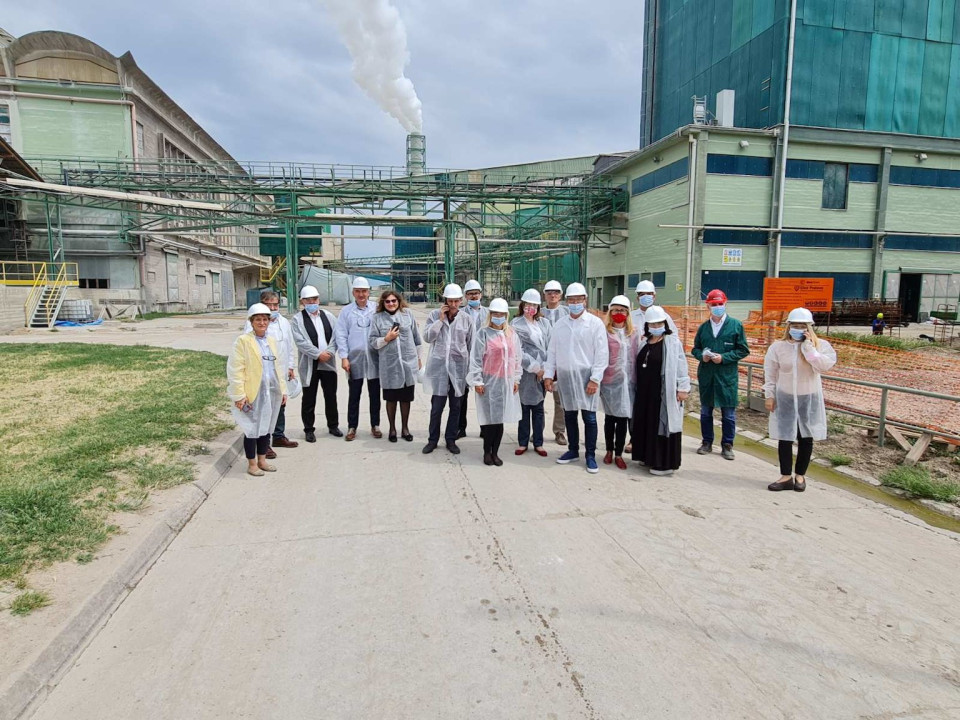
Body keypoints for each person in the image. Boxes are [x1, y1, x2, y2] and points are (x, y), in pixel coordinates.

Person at [763, 307, 838, 492]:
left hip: (808, 398)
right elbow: (770, 373)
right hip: (785, 397)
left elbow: (823, 365)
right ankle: (785, 476)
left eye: (802, 326)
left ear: (809, 327)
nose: (798, 329)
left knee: (806, 437)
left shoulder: (820, 346)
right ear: (788, 326)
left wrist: (808, 349)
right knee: (785, 436)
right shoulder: (778, 347)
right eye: (795, 325)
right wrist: (769, 395)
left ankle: (800, 476)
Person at [543, 282, 609, 474]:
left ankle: (590, 455)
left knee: (589, 417)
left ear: (585, 300)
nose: (574, 303)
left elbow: (602, 353)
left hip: (587, 377)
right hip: (566, 377)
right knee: (570, 415)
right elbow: (552, 352)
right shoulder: (560, 325)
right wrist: (548, 375)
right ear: (567, 301)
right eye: (571, 300)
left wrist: (595, 379)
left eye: (578, 300)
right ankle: (573, 450)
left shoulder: (595, 324)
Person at [228, 303, 288, 476]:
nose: (262, 323)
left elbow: (278, 367)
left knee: (266, 427)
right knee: (251, 429)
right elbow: (235, 369)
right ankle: (252, 464)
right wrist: (239, 395)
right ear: (251, 322)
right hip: (252, 393)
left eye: (265, 319)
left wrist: (282, 390)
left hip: (270, 391)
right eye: (258, 320)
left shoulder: (271, 341)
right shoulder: (243, 341)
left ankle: (262, 460)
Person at [691, 289, 750, 460]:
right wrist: (701, 356)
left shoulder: (735, 325)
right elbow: (695, 348)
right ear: (708, 306)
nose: (717, 307)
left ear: (725, 303)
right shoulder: (704, 328)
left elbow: (743, 350)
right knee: (705, 412)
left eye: (720, 304)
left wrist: (724, 358)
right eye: (714, 304)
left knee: (728, 415)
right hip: (707, 375)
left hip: (726, 377)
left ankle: (727, 445)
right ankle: (707, 442)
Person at [632, 306, 690, 476]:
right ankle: (646, 456)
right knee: (646, 423)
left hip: (663, 392)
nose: (656, 327)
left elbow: (681, 366)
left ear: (665, 323)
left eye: (659, 323)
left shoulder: (672, 343)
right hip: (645, 393)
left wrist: (683, 388)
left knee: (662, 425)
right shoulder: (645, 342)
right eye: (652, 324)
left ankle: (664, 464)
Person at [243, 290, 298, 458]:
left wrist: (290, 366)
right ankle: (263, 443)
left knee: (280, 403)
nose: (273, 308)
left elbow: (289, 346)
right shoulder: (254, 323)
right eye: (270, 305)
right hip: (263, 372)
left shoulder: (284, 322)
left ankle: (278, 435)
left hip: (280, 370)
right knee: (264, 406)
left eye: (276, 305)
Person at [468, 298, 523, 466]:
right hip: (488, 382)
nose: (498, 317)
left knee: (499, 420)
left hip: (506, 382)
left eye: (501, 314)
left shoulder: (511, 333)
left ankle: (495, 453)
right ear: (490, 315)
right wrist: (477, 381)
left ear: (506, 315)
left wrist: (516, 379)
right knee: (490, 420)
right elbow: (476, 359)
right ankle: (487, 452)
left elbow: (517, 358)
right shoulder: (483, 333)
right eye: (495, 314)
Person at [423, 283, 475, 455]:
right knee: (436, 408)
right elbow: (428, 337)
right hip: (439, 370)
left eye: (456, 301)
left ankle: (451, 439)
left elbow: (471, 345)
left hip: (459, 371)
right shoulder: (434, 315)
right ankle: (432, 440)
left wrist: (470, 371)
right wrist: (440, 320)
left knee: (456, 407)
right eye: (450, 301)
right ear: (445, 300)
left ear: (461, 300)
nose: (453, 305)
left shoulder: (467, 319)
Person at [368, 290, 422, 442]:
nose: (391, 304)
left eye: (394, 301)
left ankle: (405, 428)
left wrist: (418, 358)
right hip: (389, 365)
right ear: (383, 303)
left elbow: (417, 338)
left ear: (398, 301)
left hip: (408, 363)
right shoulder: (377, 318)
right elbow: (372, 341)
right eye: (387, 301)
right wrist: (386, 338)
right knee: (391, 399)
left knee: (406, 398)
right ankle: (392, 429)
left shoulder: (407, 314)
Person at [291, 285, 341, 442]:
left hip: (328, 363)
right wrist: (318, 354)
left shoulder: (328, 316)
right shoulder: (297, 320)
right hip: (309, 365)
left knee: (330, 396)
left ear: (318, 300)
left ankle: (333, 426)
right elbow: (301, 342)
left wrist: (330, 352)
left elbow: (336, 336)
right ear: (302, 302)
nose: (312, 302)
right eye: (308, 300)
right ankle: (309, 429)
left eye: (314, 299)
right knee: (309, 398)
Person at [335, 277, 381, 441]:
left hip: (374, 359)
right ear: (353, 292)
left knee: (374, 394)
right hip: (354, 360)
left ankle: (375, 425)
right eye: (358, 291)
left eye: (364, 291)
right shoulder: (346, 311)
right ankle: (352, 426)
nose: (361, 294)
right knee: (354, 395)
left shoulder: (376, 309)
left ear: (369, 292)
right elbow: (341, 335)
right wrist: (344, 357)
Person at [600, 295, 639, 470]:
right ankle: (609, 450)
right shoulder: (604, 332)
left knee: (623, 418)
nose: (619, 313)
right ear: (610, 312)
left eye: (622, 310)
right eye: (615, 310)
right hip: (609, 381)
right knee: (610, 418)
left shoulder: (634, 333)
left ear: (628, 313)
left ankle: (618, 454)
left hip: (628, 382)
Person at [511, 288, 551, 457]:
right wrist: (534, 367)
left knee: (539, 408)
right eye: (528, 304)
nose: (531, 308)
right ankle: (523, 442)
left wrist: (546, 368)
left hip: (543, 371)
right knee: (525, 407)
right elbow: (517, 350)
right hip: (526, 372)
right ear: (522, 305)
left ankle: (538, 443)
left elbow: (550, 346)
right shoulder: (516, 324)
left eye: (534, 305)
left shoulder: (544, 323)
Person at [540, 279, 569, 445]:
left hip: (561, 362)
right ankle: (537, 431)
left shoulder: (567, 313)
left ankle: (559, 431)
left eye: (556, 292)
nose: (553, 295)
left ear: (561, 295)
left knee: (560, 400)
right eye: (549, 292)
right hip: (541, 363)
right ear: (544, 295)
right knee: (538, 400)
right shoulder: (538, 313)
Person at [459, 279, 489, 438]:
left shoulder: (489, 313)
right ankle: (460, 428)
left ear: (481, 295)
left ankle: (485, 428)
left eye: (476, 293)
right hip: (464, 359)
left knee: (484, 394)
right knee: (461, 395)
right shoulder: (460, 313)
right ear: (465, 296)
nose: (473, 296)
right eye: (470, 294)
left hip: (485, 360)